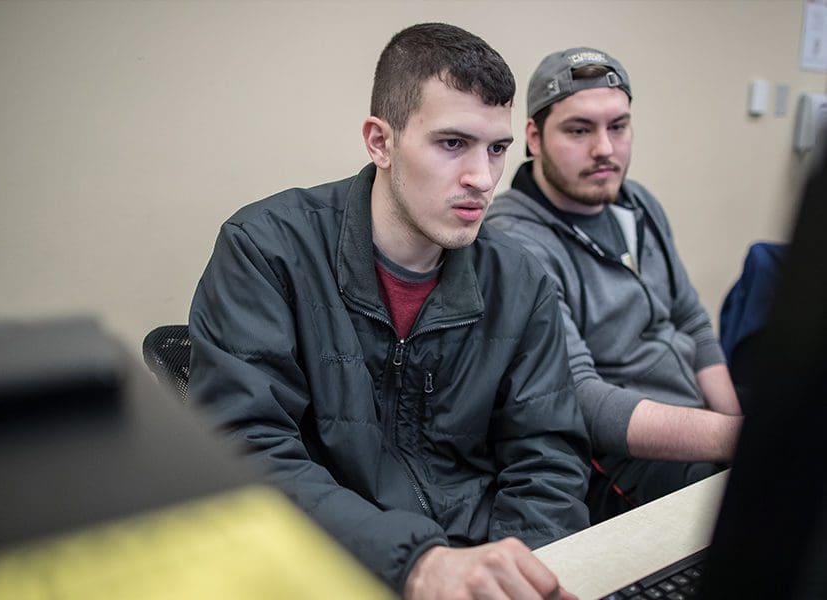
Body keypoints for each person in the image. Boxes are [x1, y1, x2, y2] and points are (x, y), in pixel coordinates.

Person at [189, 23, 589, 600]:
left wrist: (516, 574)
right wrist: (417, 562)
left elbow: (547, 456)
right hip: (327, 567)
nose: (482, 178)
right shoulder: (266, 249)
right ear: (380, 142)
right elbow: (245, 454)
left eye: (497, 148)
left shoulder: (517, 279)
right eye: (453, 143)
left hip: (478, 568)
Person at [485, 47, 744, 524]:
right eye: (579, 130)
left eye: (618, 126)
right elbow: (579, 398)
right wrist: (737, 439)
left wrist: (737, 421)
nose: (604, 148)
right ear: (534, 138)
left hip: (693, 416)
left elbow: (690, 319)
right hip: (614, 455)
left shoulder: (638, 202)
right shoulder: (514, 241)